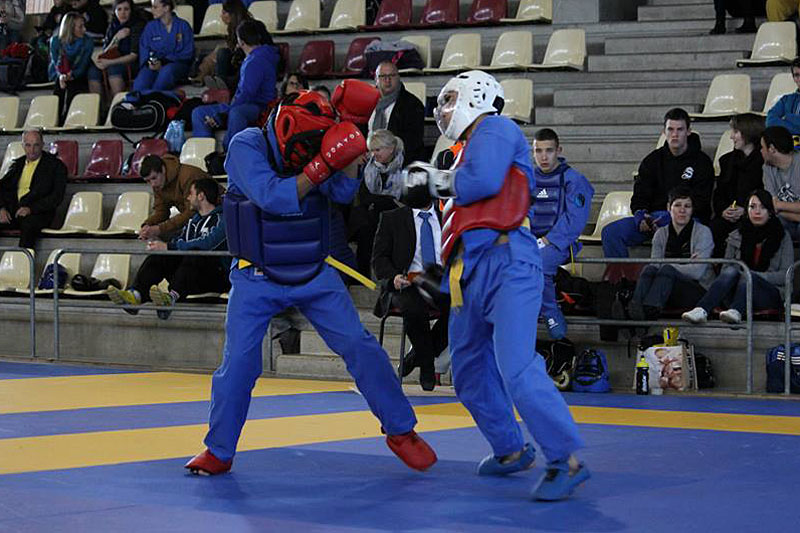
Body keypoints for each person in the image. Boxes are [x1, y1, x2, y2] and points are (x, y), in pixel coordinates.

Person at [184, 89, 437, 476]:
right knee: (238, 364)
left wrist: (349, 149)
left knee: (360, 346)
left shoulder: (325, 137)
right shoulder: (245, 145)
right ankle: (219, 450)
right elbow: (271, 196)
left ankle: (402, 431)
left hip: (314, 271)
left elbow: (343, 191)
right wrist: (320, 165)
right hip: (256, 275)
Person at [400, 70, 588, 501]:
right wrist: (436, 277)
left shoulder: (498, 129)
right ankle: (510, 449)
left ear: (475, 95)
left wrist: (428, 179)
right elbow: (463, 221)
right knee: (466, 373)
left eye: (450, 98)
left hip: (509, 262)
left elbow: (483, 184)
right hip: (468, 273)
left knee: (517, 366)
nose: (443, 109)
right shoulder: (461, 152)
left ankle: (567, 458)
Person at [107, 178, 229, 319]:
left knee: (196, 254)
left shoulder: (222, 219)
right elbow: (179, 241)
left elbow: (208, 244)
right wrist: (163, 246)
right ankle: (137, 295)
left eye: (191, 193)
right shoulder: (193, 221)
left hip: (217, 277)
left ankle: (170, 299)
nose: (188, 198)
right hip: (191, 277)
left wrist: (169, 246)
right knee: (161, 255)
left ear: (201, 196)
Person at [602, 108, 714, 258]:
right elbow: (640, 195)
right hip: (653, 218)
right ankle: (620, 280)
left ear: (688, 132)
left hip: (687, 217)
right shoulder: (652, 160)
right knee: (611, 232)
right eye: (670, 129)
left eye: (680, 129)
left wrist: (670, 216)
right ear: (664, 132)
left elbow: (702, 201)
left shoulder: (702, 162)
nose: (675, 134)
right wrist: (641, 216)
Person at [372, 196, 449, 391]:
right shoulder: (392, 218)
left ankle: (420, 356)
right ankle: (427, 366)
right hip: (407, 281)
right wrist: (393, 277)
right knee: (413, 308)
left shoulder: (448, 217)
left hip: (441, 281)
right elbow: (379, 258)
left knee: (464, 309)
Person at [683, 189, 792, 324]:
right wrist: (744, 274)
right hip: (736, 291)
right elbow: (725, 271)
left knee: (747, 275)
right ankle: (701, 309)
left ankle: (736, 310)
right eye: (752, 207)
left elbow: (785, 275)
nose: (757, 212)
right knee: (731, 270)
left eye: (763, 207)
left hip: (768, 294)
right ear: (747, 210)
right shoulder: (736, 235)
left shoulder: (782, 236)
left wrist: (752, 275)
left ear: (770, 212)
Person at [530, 128, 593, 340]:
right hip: (531, 240)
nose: (544, 156)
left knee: (538, 262)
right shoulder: (527, 179)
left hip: (561, 244)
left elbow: (575, 220)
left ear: (559, 150)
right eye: (538, 151)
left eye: (549, 150)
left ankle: (551, 315)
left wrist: (548, 240)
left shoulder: (574, 180)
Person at [626, 187, 714, 320]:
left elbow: (697, 272)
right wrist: (686, 263)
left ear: (692, 210)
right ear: (669, 208)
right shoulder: (660, 234)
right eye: (677, 205)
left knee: (667, 269)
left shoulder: (703, 233)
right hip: (665, 288)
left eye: (687, 206)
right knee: (649, 269)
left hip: (698, 290)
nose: (682, 210)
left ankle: (646, 313)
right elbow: (654, 266)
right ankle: (636, 307)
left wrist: (668, 265)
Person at [191, 19, 278, 153]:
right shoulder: (256, 57)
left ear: (241, 41)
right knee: (199, 113)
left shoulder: (255, 61)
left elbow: (247, 95)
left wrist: (223, 115)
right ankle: (205, 155)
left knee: (237, 112)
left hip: (260, 107)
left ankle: (229, 152)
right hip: (243, 103)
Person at [0, 129, 67, 249]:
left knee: (29, 225)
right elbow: (2, 188)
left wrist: (31, 209)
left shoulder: (56, 166)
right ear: (23, 146)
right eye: (28, 145)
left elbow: (56, 197)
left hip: (39, 213)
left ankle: (24, 263)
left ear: (42, 145)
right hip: (14, 211)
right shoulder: (18, 164)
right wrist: (2, 208)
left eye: (36, 145)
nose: (32, 150)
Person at [710, 113, 765, 256]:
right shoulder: (727, 161)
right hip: (729, 216)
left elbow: (767, 194)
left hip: (755, 215)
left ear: (748, 132)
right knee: (714, 228)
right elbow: (719, 194)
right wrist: (724, 210)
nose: (731, 137)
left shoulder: (765, 162)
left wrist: (747, 211)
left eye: (735, 132)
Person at [138, 154, 210, 242]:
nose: (152, 184)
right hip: (197, 220)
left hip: (216, 217)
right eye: (148, 181)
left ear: (163, 170)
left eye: (154, 178)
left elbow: (192, 211)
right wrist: (147, 225)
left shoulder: (188, 176)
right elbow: (161, 211)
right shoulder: (159, 184)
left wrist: (160, 228)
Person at [87, 0, 149, 100]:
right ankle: (99, 109)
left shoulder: (137, 25)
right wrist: (116, 37)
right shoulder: (113, 25)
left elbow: (133, 56)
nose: (122, 13)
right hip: (113, 60)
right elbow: (105, 51)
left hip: (133, 62)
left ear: (131, 10)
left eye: (126, 9)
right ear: (114, 11)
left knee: (113, 69)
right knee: (93, 71)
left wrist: (109, 62)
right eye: (119, 9)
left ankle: (117, 105)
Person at [369, 61, 426, 162]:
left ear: (398, 77)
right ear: (376, 79)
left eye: (392, 75)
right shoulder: (366, 102)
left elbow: (413, 141)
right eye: (383, 76)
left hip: (399, 160)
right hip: (370, 157)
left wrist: (389, 151)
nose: (388, 80)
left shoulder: (413, 104)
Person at [133, 0, 194, 92]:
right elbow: (144, 49)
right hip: (154, 64)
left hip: (176, 65)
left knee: (166, 72)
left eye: (155, 7)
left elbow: (187, 53)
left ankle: (154, 100)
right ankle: (138, 101)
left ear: (166, 8)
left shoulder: (183, 26)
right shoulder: (150, 27)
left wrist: (164, 62)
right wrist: (150, 62)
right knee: (141, 81)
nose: (152, 10)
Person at [190, 0, 252, 89]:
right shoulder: (233, 28)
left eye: (224, 13)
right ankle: (209, 78)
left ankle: (218, 80)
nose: (221, 16)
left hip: (245, 61)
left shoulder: (246, 27)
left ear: (233, 14)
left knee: (222, 52)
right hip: (236, 59)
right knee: (213, 53)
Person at [48, 11, 94, 121]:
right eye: (80, 27)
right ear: (70, 28)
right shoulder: (55, 41)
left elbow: (84, 63)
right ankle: (55, 118)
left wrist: (71, 75)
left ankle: (69, 117)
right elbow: (55, 62)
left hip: (79, 72)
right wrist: (62, 76)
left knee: (73, 85)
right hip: (59, 72)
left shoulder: (88, 41)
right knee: (59, 86)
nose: (84, 30)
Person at [761, 125, 800, 239]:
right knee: (765, 222)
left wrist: (778, 206)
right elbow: (771, 207)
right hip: (785, 219)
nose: (760, 151)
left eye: (762, 147)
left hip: (787, 217)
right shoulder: (767, 168)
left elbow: (775, 205)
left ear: (772, 149)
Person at [363, 129, 404, 200]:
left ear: (391, 149)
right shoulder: (367, 166)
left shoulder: (404, 167)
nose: (373, 154)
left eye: (377, 150)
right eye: (371, 150)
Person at [766, 57, 800, 136]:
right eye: (797, 75)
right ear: (793, 78)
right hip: (788, 145)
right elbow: (770, 121)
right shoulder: (786, 100)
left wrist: (787, 117)